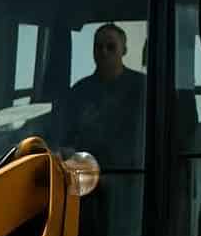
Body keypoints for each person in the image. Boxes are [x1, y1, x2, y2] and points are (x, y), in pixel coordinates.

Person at [58, 23, 146, 169]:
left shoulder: (143, 87)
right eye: (98, 46)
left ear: (123, 50)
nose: (104, 51)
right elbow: (67, 138)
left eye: (111, 46)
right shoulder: (79, 92)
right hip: (87, 176)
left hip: (134, 175)